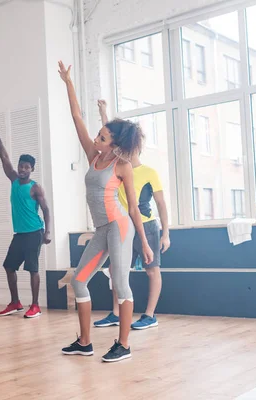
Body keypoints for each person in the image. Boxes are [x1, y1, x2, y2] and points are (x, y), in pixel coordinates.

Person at [58, 61, 154, 363]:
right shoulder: (93, 156)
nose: (96, 140)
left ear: (114, 143)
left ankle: (123, 345)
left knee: (121, 283)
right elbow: (76, 118)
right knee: (79, 280)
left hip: (119, 227)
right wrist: (68, 83)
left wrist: (145, 242)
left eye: (102, 137)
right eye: (97, 136)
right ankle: (85, 342)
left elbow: (134, 208)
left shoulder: (122, 166)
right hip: (101, 228)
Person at [93, 100, 171, 330]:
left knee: (151, 270)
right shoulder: (117, 168)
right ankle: (116, 313)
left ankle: (149, 315)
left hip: (147, 226)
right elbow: (111, 135)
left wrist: (166, 234)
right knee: (117, 269)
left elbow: (161, 204)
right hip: (122, 226)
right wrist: (103, 113)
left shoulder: (149, 172)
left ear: (134, 148)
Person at [0, 119, 51, 319]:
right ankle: (16, 302)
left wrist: (48, 232)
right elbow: (4, 158)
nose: (23, 169)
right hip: (20, 234)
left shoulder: (35, 187)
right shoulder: (14, 180)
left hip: (35, 233)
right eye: (21, 166)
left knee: (33, 269)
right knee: (9, 266)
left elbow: (46, 210)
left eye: (27, 167)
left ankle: (35, 305)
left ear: (32, 169)